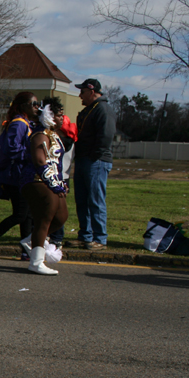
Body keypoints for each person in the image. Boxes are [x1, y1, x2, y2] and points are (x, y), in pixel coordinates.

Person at [0, 92, 38, 260]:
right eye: (33, 104)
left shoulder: (26, 123)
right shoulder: (19, 124)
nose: (36, 108)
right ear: (22, 106)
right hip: (14, 176)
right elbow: (11, 149)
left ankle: (26, 251)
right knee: (20, 214)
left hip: (21, 176)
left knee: (27, 215)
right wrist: (32, 153)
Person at [19, 97, 69, 275]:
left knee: (61, 216)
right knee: (45, 216)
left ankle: (30, 240)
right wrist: (54, 184)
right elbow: (40, 161)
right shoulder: (40, 135)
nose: (63, 119)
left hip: (50, 182)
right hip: (35, 180)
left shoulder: (52, 134)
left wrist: (59, 183)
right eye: (59, 115)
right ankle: (36, 261)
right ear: (49, 116)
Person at [69, 78, 116, 250]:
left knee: (95, 200)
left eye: (82, 92)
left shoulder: (103, 110)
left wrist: (94, 155)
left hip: (96, 161)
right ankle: (85, 236)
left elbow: (106, 135)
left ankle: (100, 238)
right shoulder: (88, 110)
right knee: (82, 200)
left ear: (92, 91)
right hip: (83, 159)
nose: (80, 95)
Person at [48, 112, 77, 248]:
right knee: (58, 208)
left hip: (57, 177)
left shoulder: (61, 142)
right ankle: (56, 237)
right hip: (65, 177)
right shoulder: (72, 141)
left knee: (54, 209)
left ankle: (55, 237)